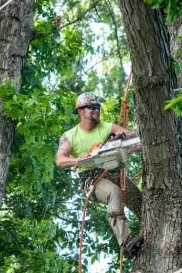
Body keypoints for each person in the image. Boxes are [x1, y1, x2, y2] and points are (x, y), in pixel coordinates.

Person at [56, 92, 144, 258]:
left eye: (98, 107)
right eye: (92, 107)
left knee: (142, 205)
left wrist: (127, 140)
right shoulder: (70, 136)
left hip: (114, 172)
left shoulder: (107, 127)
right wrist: (77, 160)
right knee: (114, 193)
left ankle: (148, 236)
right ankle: (126, 243)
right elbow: (60, 160)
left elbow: (131, 136)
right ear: (80, 110)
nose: (96, 110)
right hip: (93, 179)